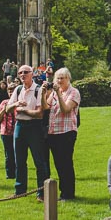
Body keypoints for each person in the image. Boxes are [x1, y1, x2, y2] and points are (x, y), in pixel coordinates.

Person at [6, 64, 50, 201]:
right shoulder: (18, 89)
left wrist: (23, 110)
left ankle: (42, 193)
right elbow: (8, 108)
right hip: (19, 126)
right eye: (20, 73)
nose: (23, 75)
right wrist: (16, 104)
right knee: (19, 160)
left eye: (26, 72)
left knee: (39, 160)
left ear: (32, 74)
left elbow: (39, 114)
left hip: (34, 127)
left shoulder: (37, 90)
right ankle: (20, 190)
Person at [44, 67, 81, 201]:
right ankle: (63, 193)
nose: (60, 80)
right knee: (58, 164)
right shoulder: (54, 93)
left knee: (66, 163)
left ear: (68, 78)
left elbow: (65, 109)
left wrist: (58, 94)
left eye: (62, 78)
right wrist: (44, 93)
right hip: (53, 132)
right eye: (58, 78)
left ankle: (68, 193)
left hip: (67, 132)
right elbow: (45, 108)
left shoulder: (74, 92)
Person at [0, 83, 17, 179]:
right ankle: (10, 173)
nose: (11, 93)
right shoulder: (4, 102)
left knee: (17, 153)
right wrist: (4, 109)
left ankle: (18, 172)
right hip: (6, 132)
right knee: (8, 153)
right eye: (9, 91)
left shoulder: (20, 102)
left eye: (13, 91)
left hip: (17, 132)